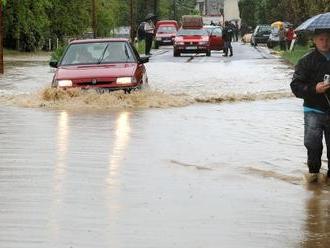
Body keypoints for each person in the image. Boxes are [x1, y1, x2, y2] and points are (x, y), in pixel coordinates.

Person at [290, 30, 330, 183]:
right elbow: (295, 86)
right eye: (321, 39)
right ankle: (313, 176)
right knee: (313, 145)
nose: (325, 42)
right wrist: (315, 89)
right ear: (314, 40)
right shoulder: (306, 61)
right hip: (313, 109)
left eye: (327, 39)